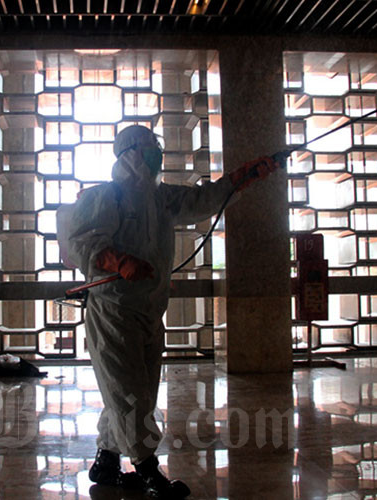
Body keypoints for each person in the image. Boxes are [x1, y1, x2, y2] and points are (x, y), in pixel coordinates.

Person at [64, 125, 278, 498]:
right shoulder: (106, 197)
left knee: (137, 391)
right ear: (128, 153)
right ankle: (148, 470)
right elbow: (82, 242)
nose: (155, 156)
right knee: (129, 392)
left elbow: (202, 200)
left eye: (156, 149)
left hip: (149, 310)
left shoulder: (161, 199)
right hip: (114, 312)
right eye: (148, 149)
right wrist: (119, 260)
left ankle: (106, 462)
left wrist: (240, 178)